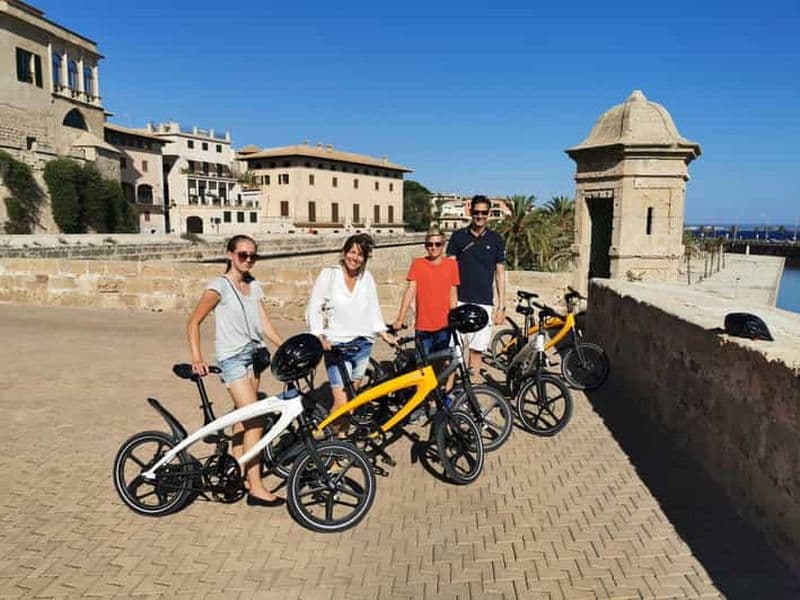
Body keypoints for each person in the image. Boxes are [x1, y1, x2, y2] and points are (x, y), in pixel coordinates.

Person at [187, 235, 284, 508]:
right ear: (230, 255)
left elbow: (264, 322)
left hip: (255, 358)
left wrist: (284, 345)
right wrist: (197, 358)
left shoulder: (254, 285)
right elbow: (193, 322)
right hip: (232, 360)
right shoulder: (219, 286)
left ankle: (235, 474)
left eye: (253, 255)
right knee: (256, 421)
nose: (248, 259)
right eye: (243, 254)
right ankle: (256, 487)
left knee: (242, 422)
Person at [306, 234, 393, 435]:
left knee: (352, 400)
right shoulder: (329, 275)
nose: (355, 258)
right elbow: (315, 305)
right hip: (337, 347)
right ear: (344, 252)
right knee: (342, 402)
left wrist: (383, 333)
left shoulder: (366, 278)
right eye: (352, 252)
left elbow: (373, 308)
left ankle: (342, 437)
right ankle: (328, 440)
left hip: (363, 345)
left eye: (360, 255)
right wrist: (318, 334)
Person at [446, 195, 506, 380]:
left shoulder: (496, 239)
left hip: (484, 302)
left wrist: (501, 307)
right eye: (476, 212)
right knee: (454, 351)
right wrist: (450, 304)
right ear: (471, 212)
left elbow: (500, 274)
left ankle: (471, 388)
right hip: (459, 300)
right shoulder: (458, 237)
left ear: (489, 214)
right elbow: (449, 271)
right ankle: (451, 391)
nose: (480, 216)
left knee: (476, 350)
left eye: (484, 213)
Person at [392, 228, 459, 357]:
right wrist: (400, 318)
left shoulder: (452, 265)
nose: (433, 247)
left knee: (441, 362)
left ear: (443, 245)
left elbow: (453, 292)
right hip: (423, 325)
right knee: (423, 364)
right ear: (425, 246)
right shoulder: (418, 264)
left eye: (437, 244)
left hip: (444, 325)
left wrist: (454, 317)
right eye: (429, 244)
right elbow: (410, 290)